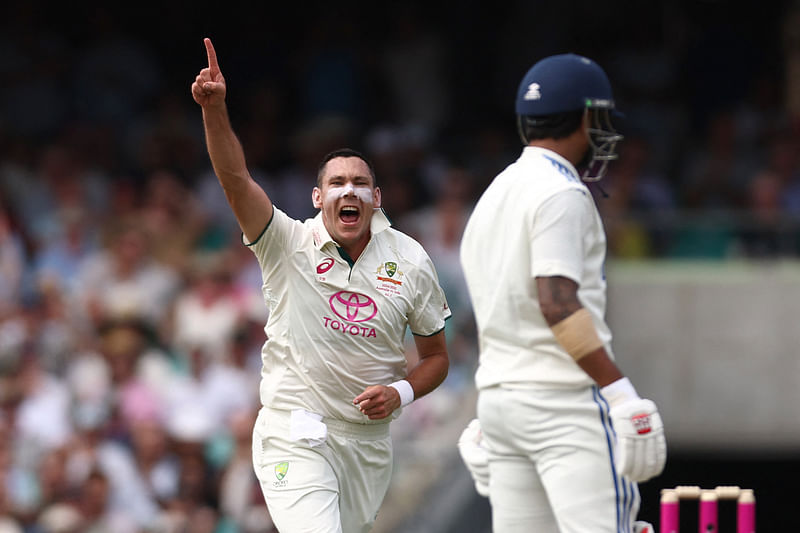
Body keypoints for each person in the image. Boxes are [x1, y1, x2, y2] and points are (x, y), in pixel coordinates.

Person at [190, 38, 450, 533]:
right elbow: (235, 178)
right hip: (296, 430)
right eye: (336, 182)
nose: (347, 190)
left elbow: (436, 358)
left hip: (367, 446)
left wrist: (400, 392)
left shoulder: (411, 260)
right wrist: (215, 111)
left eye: (359, 183)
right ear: (317, 197)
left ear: (376, 198)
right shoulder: (287, 242)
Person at [457, 53, 666, 533]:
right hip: (563, 404)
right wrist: (621, 393)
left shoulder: (494, 193)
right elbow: (556, 302)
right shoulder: (562, 192)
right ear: (587, 117)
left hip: (500, 405)